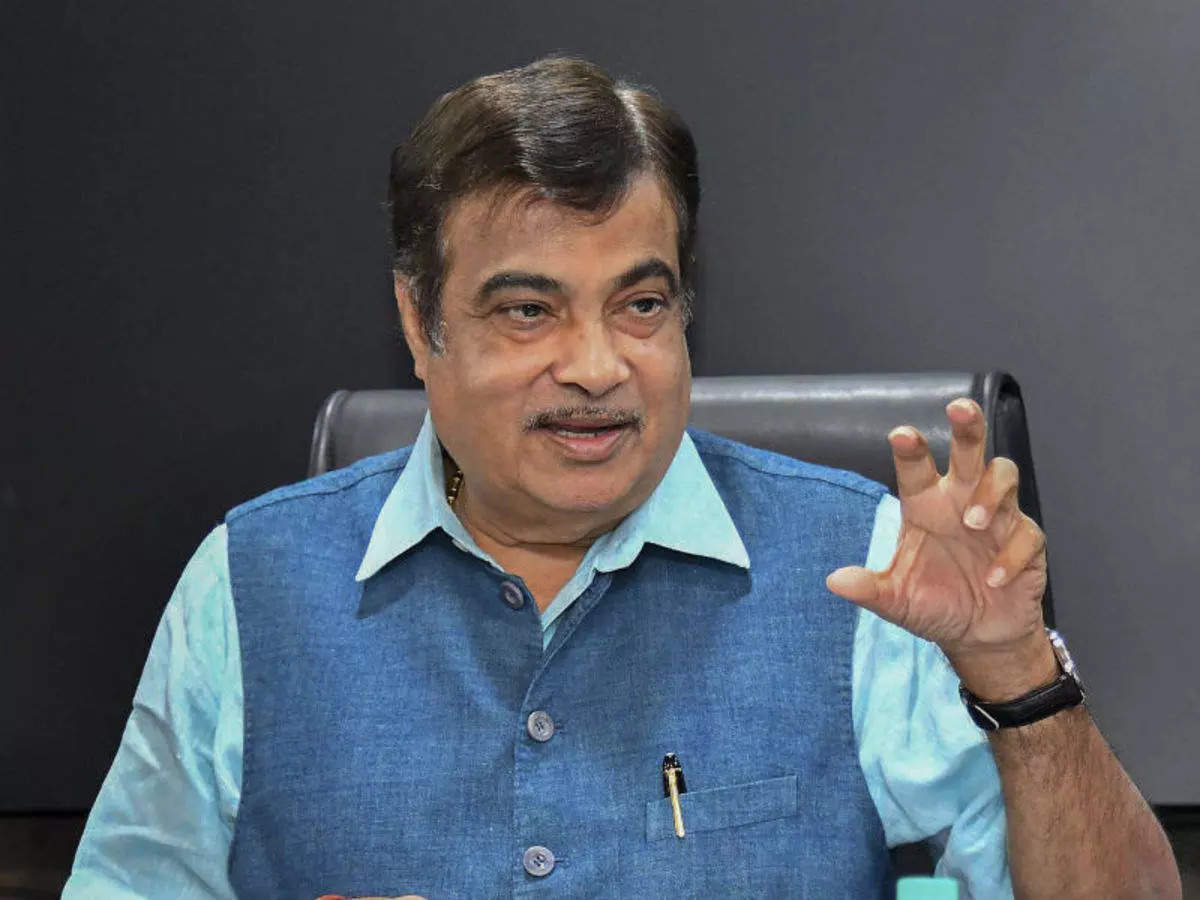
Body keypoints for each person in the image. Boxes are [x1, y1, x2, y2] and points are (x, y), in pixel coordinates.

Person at [64, 56, 1180, 898]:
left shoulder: (866, 572)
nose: (597, 367)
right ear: (418, 321)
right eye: (527, 310)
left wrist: (1018, 675)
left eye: (640, 305)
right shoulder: (247, 586)